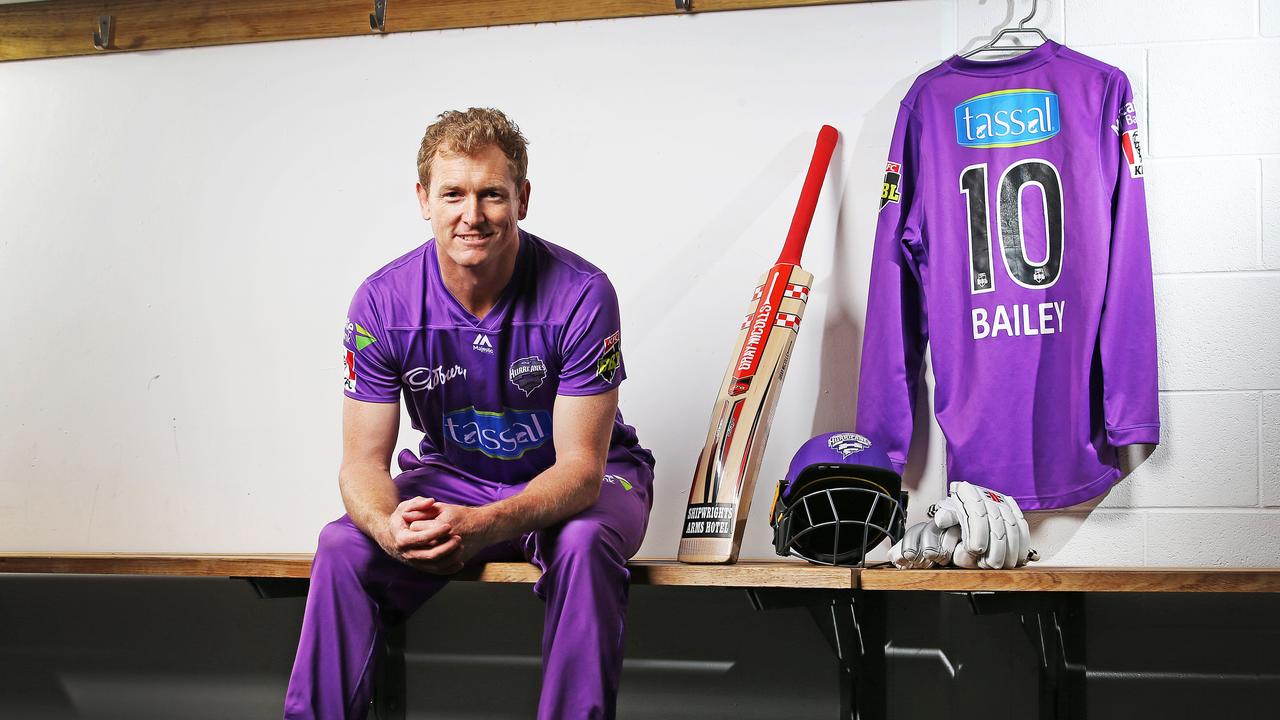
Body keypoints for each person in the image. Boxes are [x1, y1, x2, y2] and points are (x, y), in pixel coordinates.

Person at [284, 107, 655, 720]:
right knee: (342, 544)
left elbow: (580, 470)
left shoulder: (582, 293)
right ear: (424, 199)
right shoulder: (381, 301)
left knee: (585, 542)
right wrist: (386, 527)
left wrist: (481, 525)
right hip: (455, 474)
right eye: (453, 193)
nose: (472, 215)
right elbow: (361, 465)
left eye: (492, 194)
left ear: (523, 198)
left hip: (582, 477)